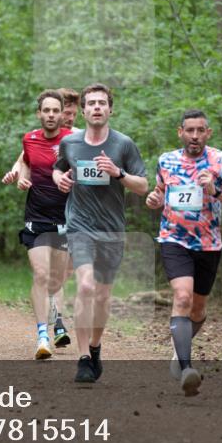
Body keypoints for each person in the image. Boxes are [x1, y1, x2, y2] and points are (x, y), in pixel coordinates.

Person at [145, 109, 222, 396]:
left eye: (200, 130)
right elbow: (159, 193)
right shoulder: (166, 160)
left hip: (209, 244)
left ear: (208, 133)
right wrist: (154, 199)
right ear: (180, 132)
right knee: (182, 297)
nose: (195, 136)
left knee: (198, 310)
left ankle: (177, 353)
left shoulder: (221, 161)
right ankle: (186, 367)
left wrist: (216, 191)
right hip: (174, 240)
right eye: (189, 130)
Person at [53, 83, 148, 383]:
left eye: (102, 103)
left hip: (112, 230)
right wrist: (60, 180)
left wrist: (118, 173)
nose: (96, 107)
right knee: (84, 287)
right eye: (91, 103)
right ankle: (82, 359)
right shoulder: (71, 144)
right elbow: (58, 168)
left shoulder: (123, 145)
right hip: (79, 226)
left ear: (110, 109)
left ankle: (95, 348)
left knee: (103, 297)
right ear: (82, 111)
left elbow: (144, 186)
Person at [6, 86, 81, 344]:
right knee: (40, 274)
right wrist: (20, 178)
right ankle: (42, 336)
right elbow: (25, 161)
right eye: (46, 110)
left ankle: (58, 321)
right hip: (36, 217)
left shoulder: (74, 140)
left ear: (63, 115)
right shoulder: (30, 139)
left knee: (56, 280)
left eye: (56, 111)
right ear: (39, 113)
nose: (51, 115)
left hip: (66, 219)